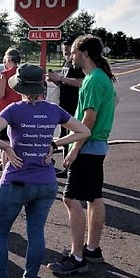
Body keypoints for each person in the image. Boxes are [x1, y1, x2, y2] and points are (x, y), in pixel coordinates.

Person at [0, 63, 90, 278]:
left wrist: (7, 148)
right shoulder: (54, 110)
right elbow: (83, 131)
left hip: (16, 180)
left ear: (20, 87)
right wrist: (55, 145)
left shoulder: (14, 109)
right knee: (36, 234)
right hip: (45, 182)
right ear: (42, 86)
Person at [48, 34, 117, 276]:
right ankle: (92, 249)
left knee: (70, 199)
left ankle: (77, 257)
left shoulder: (92, 80)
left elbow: (88, 121)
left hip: (87, 147)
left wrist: (72, 148)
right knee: (93, 198)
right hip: (98, 146)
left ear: (85, 53)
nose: (71, 56)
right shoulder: (102, 78)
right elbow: (113, 102)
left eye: (75, 52)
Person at [47, 39, 85, 178]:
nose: (67, 53)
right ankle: (67, 167)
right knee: (64, 136)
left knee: (71, 137)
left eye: (69, 51)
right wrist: (55, 79)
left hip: (74, 105)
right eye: (64, 51)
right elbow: (64, 82)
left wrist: (61, 78)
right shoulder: (67, 63)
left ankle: (72, 169)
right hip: (64, 105)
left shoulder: (77, 66)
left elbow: (81, 82)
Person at [0, 48, 22, 184]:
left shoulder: (4, 74)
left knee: (5, 145)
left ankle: (5, 176)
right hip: (21, 110)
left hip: (6, 112)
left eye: (4, 60)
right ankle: (19, 173)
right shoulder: (22, 73)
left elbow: (1, 94)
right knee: (18, 144)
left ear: (9, 60)